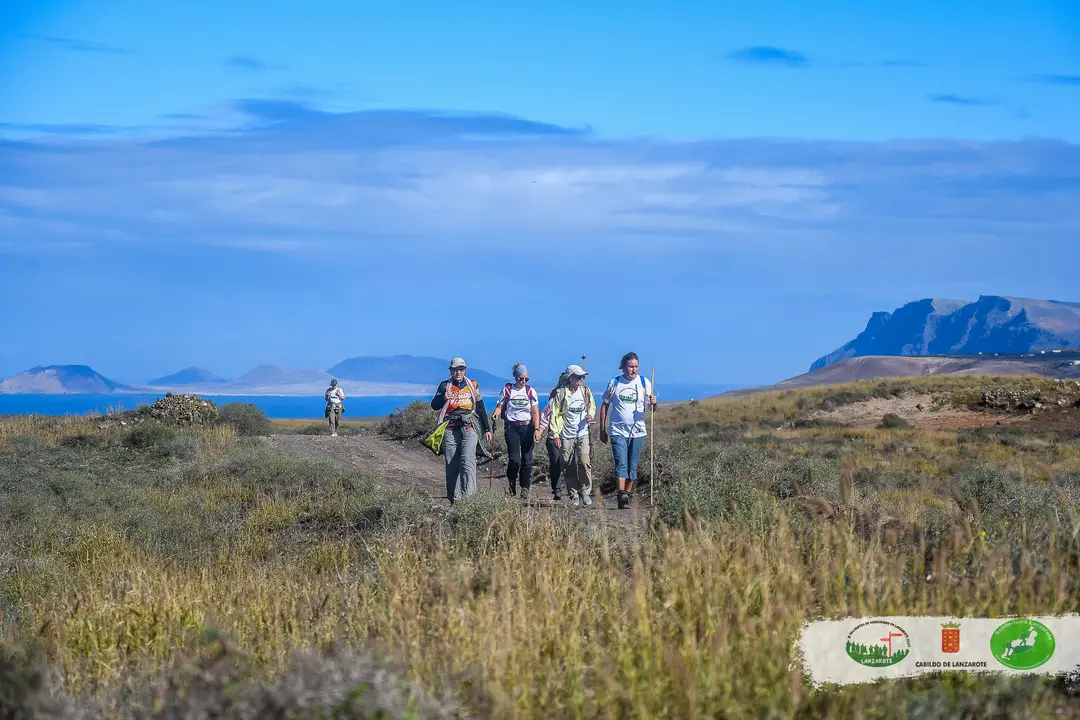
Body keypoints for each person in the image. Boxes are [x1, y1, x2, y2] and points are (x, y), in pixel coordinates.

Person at [430, 357, 493, 503]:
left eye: (461, 369)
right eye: (455, 369)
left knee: (467, 460)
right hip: (451, 428)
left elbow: (481, 407)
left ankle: (469, 499)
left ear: (465, 370)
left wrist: (487, 429)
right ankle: (455, 499)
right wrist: (443, 397)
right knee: (452, 463)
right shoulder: (444, 386)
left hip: (469, 426)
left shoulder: (473, 385)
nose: (458, 372)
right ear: (451, 370)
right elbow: (434, 405)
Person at [599, 352, 657, 509]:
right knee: (621, 463)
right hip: (618, 430)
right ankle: (621, 494)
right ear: (623, 367)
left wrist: (653, 402)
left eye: (636, 366)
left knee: (633, 466)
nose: (634, 370)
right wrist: (602, 429)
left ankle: (627, 494)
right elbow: (604, 405)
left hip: (638, 431)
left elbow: (651, 408)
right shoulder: (615, 383)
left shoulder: (645, 383)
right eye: (631, 366)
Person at [544, 364, 595, 507]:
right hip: (566, 434)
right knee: (567, 464)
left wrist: (590, 415)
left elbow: (592, 406)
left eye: (582, 377)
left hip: (583, 432)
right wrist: (555, 434)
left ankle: (585, 493)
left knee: (584, 462)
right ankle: (574, 495)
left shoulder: (585, 392)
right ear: (571, 378)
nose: (581, 380)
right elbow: (554, 414)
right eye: (579, 377)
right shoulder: (561, 394)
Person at [491, 363, 540, 499]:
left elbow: (535, 413)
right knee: (515, 459)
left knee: (527, 460)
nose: (523, 381)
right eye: (521, 379)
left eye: (526, 379)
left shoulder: (530, 392)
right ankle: (512, 481)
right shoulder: (507, 390)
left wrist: (537, 429)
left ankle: (525, 488)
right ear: (515, 377)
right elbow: (499, 406)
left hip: (527, 427)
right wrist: (496, 413)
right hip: (511, 427)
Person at [536, 370, 570, 500]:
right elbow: (545, 417)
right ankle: (557, 489)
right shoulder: (554, 400)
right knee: (556, 463)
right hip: (553, 437)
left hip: (571, 436)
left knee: (570, 463)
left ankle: (572, 489)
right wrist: (539, 431)